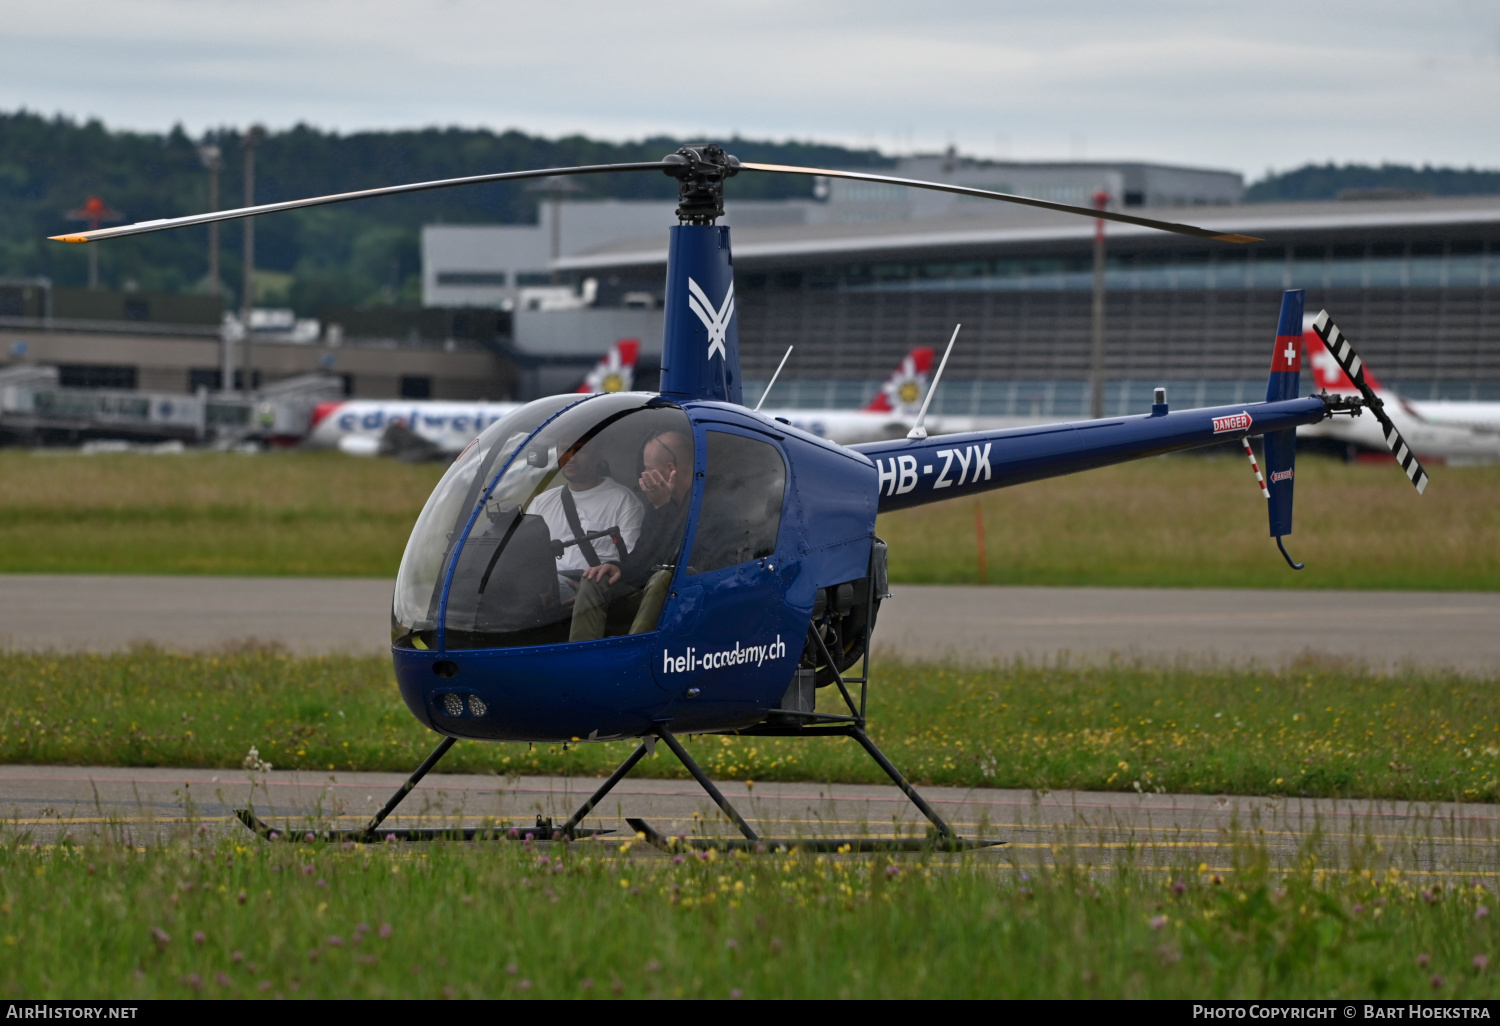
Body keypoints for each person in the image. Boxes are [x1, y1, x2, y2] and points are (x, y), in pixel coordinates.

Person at [569, 429, 692, 641]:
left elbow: (679, 563)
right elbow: (642, 564)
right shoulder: (660, 507)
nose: (642, 475)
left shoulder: (713, 508)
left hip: (686, 604)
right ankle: (580, 657)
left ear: (670, 469)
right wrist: (617, 567)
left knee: (664, 577)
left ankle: (633, 656)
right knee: (594, 580)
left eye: (647, 469)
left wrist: (663, 508)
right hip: (651, 595)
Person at [527, 439, 643, 605]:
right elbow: (525, 557)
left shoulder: (623, 501)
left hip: (596, 588)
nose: (570, 457)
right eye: (564, 449)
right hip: (547, 585)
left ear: (598, 455)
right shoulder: (541, 502)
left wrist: (588, 594)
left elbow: (632, 563)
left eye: (580, 450)